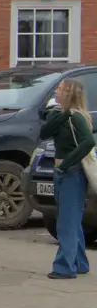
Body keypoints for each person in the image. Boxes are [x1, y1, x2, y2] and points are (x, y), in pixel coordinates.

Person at [41, 77, 95, 280]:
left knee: (66, 223)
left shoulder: (77, 117)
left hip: (72, 173)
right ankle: (79, 262)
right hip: (62, 174)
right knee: (72, 220)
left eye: (60, 89)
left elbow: (89, 141)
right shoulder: (63, 115)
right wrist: (56, 115)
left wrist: (66, 163)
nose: (56, 91)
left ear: (69, 93)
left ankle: (65, 267)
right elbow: (44, 132)